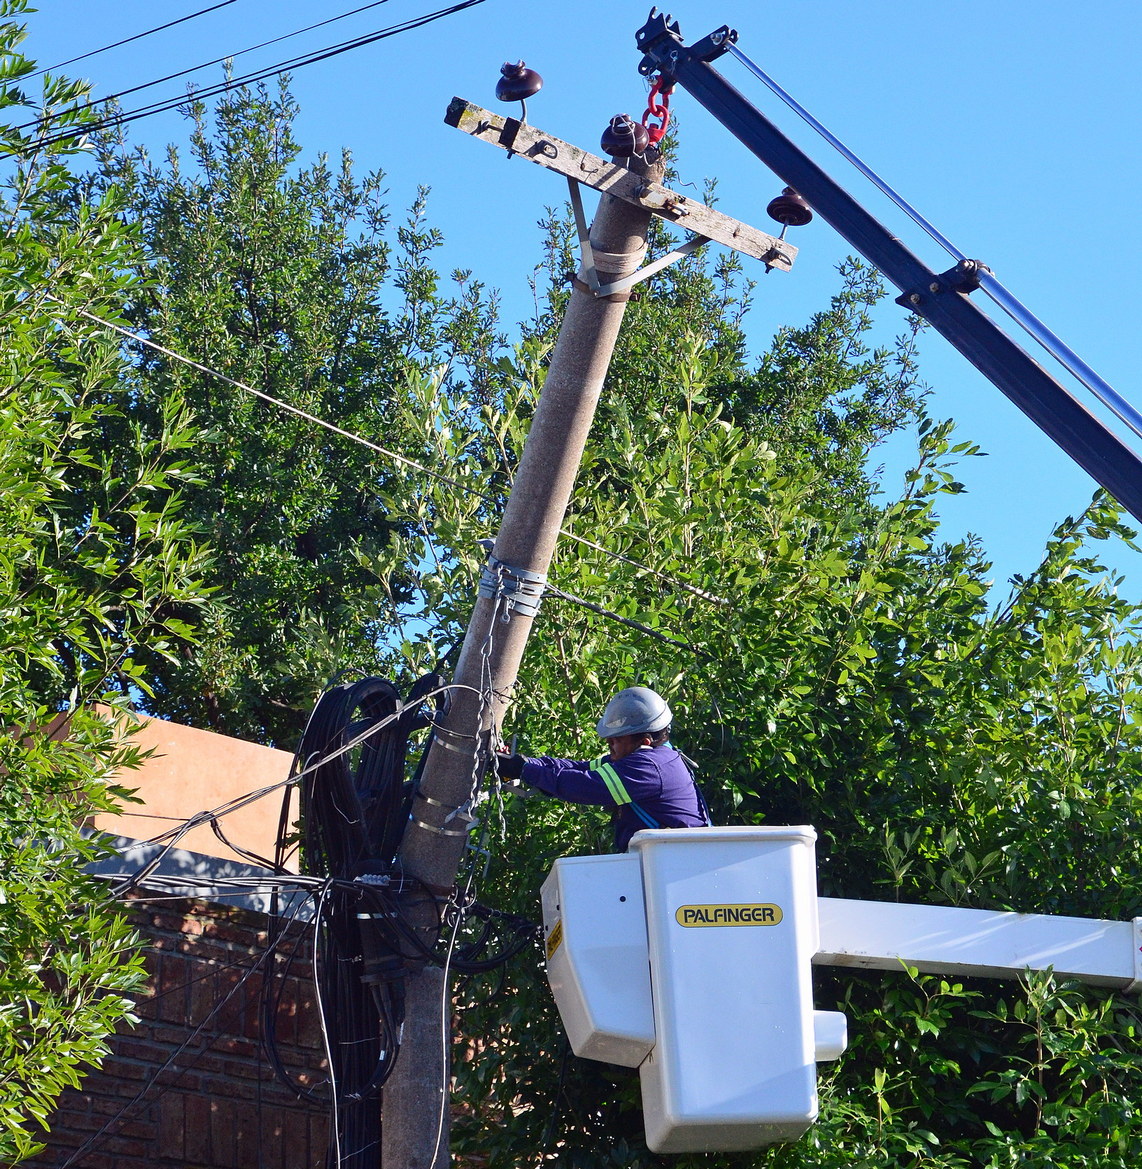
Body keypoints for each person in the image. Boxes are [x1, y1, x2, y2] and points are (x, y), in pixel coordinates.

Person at [495, 686, 709, 852]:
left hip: (675, 866)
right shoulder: (652, 758)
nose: (609, 744)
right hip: (664, 862)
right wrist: (525, 763)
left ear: (644, 741)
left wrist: (525, 771)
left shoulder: (649, 768)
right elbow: (581, 769)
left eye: (616, 739)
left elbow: (585, 786)